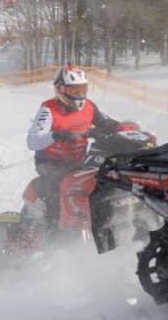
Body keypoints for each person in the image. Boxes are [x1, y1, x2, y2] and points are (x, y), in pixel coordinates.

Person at [24, 64, 122, 231]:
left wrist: (123, 129)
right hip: (50, 163)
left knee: (96, 183)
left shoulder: (89, 107)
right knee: (63, 186)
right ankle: (60, 227)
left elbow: (109, 125)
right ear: (60, 89)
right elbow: (32, 140)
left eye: (82, 89)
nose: (79, 95)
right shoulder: (48, 109)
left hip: (78, 162)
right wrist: (56, 135)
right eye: (74, 91)